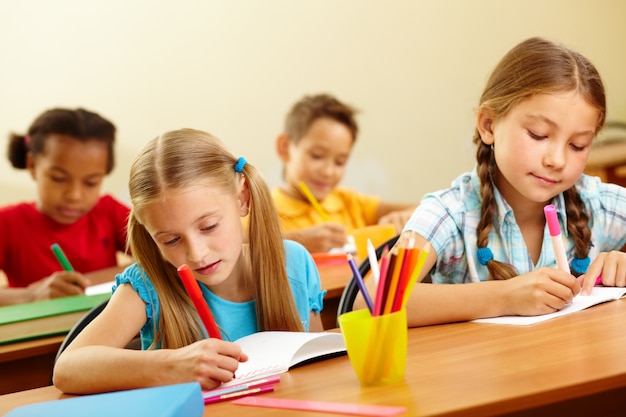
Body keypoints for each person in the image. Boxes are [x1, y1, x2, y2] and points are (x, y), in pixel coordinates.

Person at [356, 37, 626, 327]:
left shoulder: (596, 202)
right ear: (488, 125)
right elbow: (370, 302)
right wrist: (504, 297)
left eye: (578, 145)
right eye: (538, 135)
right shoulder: (450, 213)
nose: (557, 160)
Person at [53, 128, 325, 394]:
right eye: (171, 240)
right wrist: (171, 365)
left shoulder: (294, 262)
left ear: (242, 199)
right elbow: (67, 369)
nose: (196, 253)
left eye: (209, 227)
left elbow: (319, 369)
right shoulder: (148, 287)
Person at [0, 107, 131, 306]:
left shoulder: (108, 211)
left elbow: (166, 256)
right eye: (59, 178)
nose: (74, 195)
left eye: (91, 182)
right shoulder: (8, 223)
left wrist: (89, 282)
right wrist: (32, 295)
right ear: (32, 165)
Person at [273, 93, 415, 253]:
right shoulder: (261, 210)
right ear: (284, 147)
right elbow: (243, 246)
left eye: (340, 162)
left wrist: (403, 217)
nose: (328, 172)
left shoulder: (351, 204)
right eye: (317, 156)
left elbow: (427, 208)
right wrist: (295, 242)